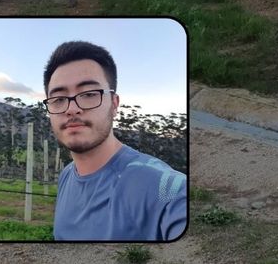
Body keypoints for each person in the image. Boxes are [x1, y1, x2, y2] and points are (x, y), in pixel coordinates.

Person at [42, 40, 187, 241]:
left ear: (114, 104)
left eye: (89, 94)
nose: (71, 108)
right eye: (58, 99)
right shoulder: (66, 176)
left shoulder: (165, 187)